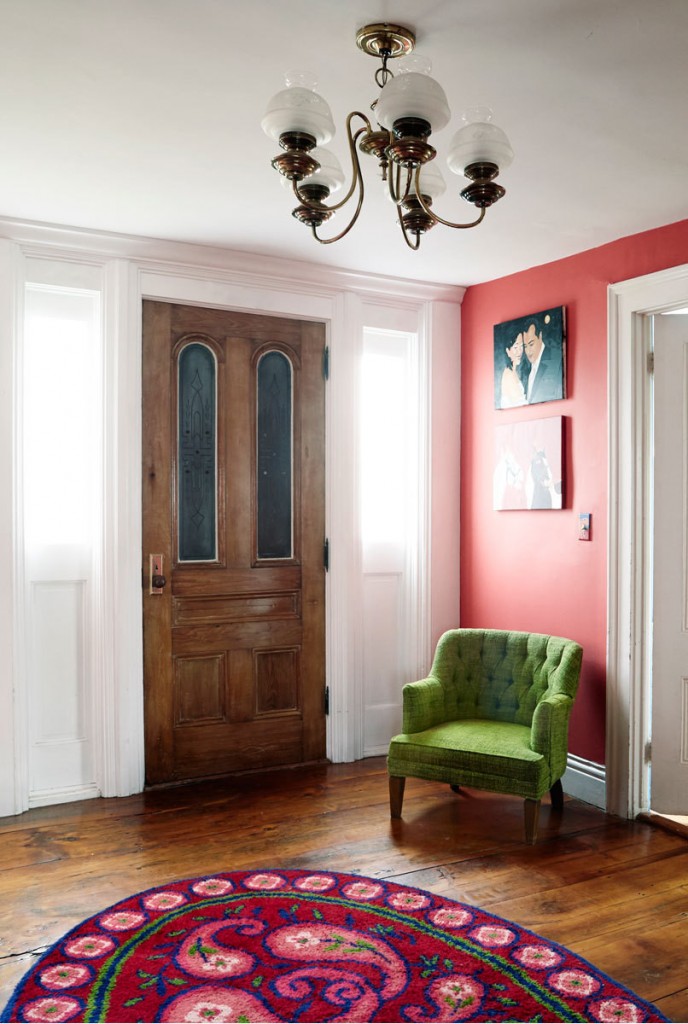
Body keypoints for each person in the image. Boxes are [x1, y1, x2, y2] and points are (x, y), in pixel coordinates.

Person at [522, 321, 564, 404]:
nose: (528, 351)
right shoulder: (522, 365)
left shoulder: (557, 358)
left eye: (531, 344)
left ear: (540, 336)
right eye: (525, 346)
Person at [498, 333, 527, 408]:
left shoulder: (514, 372)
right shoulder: (508, 374)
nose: (520, 351)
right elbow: (520, 403)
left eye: (521, 346)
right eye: (515, 347)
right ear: (508, 351)